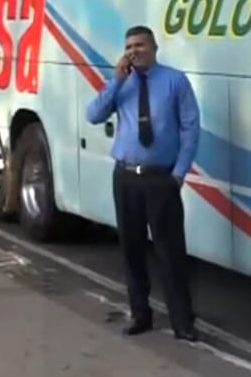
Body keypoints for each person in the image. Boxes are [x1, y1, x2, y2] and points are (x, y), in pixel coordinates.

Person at [84, 26, 201, 341]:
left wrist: (178, 174)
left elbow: (191, 129)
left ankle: (182, 321)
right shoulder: (122, 83)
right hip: (126, 177)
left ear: (154, 48)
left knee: (170, 252)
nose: (134, 51)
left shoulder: (175, 81)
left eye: (140, 45)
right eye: (129, 46)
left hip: (161, 178)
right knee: (131, 249)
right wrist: (117, 81)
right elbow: (93, 115)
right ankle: (140, 315)